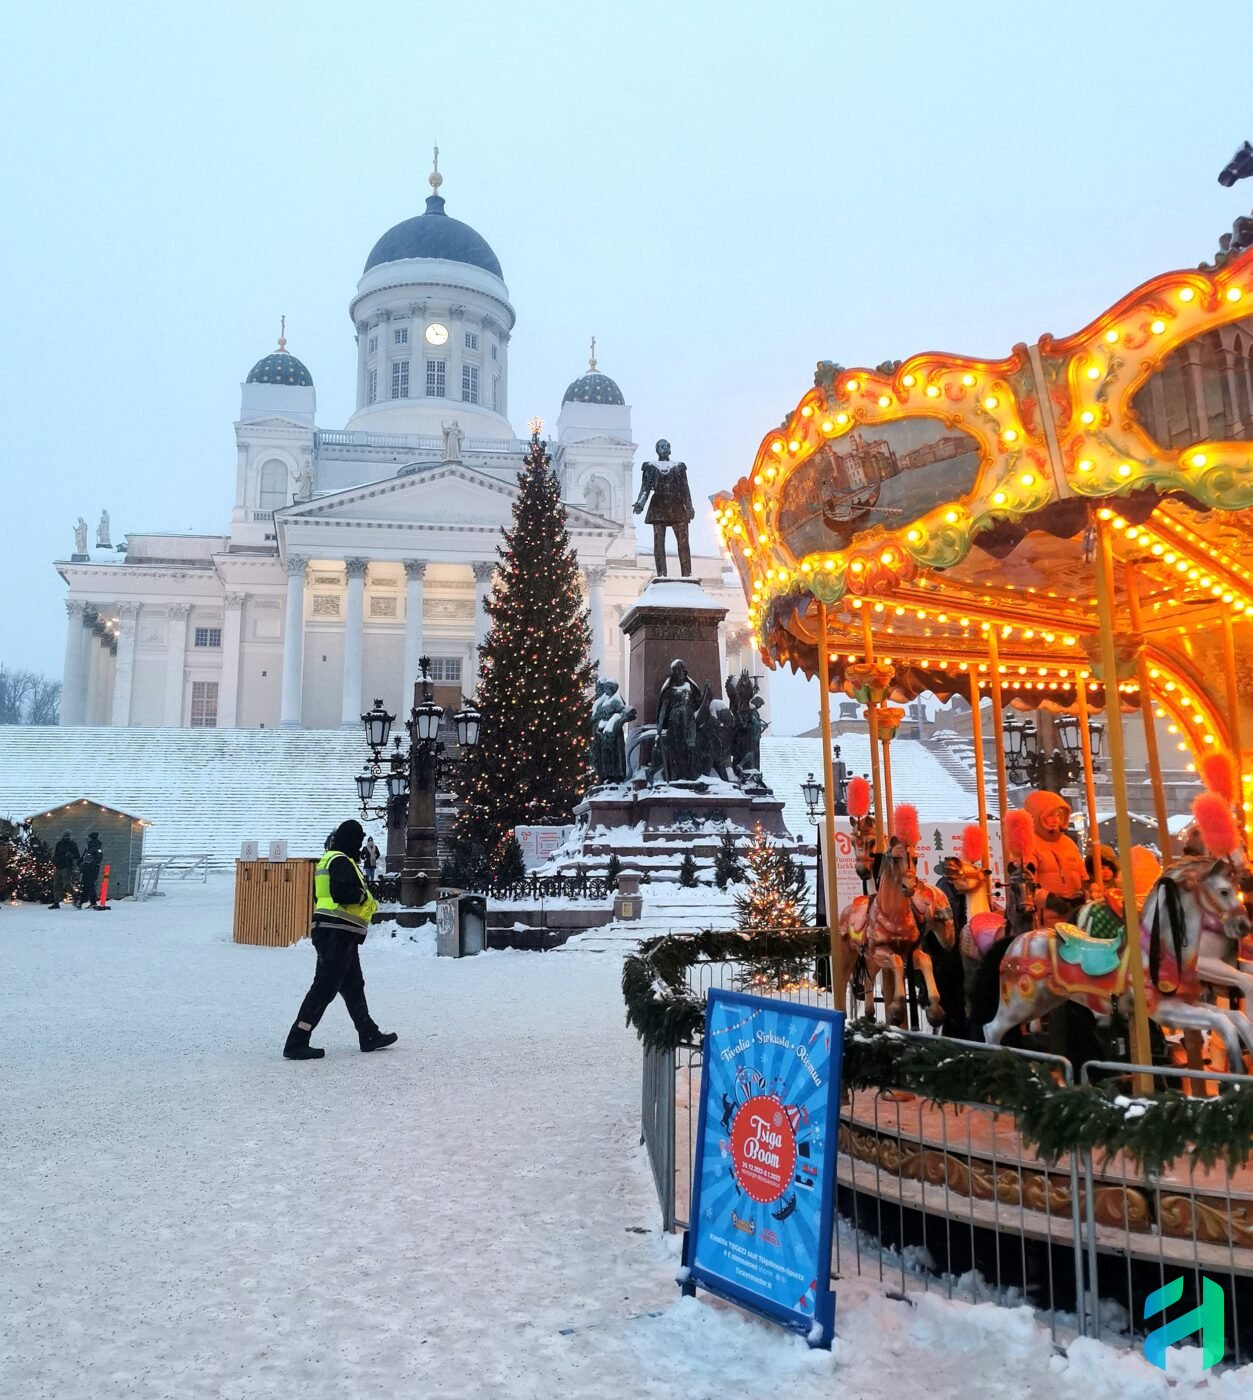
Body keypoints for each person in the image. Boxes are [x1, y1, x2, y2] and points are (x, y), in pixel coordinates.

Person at [284, 820, 397, 1060]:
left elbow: (320, 894)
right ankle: (297, 1040)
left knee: (353, 985)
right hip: (336, 932)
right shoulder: (341, 861)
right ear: (351, 840)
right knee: (324, 986)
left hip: (336, 930)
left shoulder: (330, 858)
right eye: (358, 839)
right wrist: (362, 896)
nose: (359, 845)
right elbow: (340, 892)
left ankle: (368, 1034)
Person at [1023, 791, 1086, 926]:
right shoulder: (1029, 845)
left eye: (1058, 815)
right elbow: (1025, 884)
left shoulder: (1068, 843)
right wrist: (1049, 900)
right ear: (1036, 816)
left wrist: (1083, 892)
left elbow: (1082, 874)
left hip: (1073, 915)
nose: (1055, 820)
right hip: (1044, 918)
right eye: (1050, 815)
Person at [49, 830, 80, 909]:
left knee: (66, 885)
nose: (67, 838)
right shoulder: (59, 844)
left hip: (66, 867)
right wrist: (55, 860)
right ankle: (56, 902)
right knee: (56, 885)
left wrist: (71, 856)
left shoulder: (72, 844)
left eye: (68, 836)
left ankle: (76, 897)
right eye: (66, 836)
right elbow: (56, 854)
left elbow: (77, 855)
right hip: (58, 866)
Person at [77, 832, 104, 909]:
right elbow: (84, 856)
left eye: (88, 838)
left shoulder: (95, 848)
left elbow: (98, 859)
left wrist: (91, 865)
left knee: (89, 884)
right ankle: (85, 901)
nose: (87, 840)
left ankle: (85, 901)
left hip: (92, 870)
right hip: (87, 869)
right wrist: (80, 861)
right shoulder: (89, 848)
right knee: (87, 885)